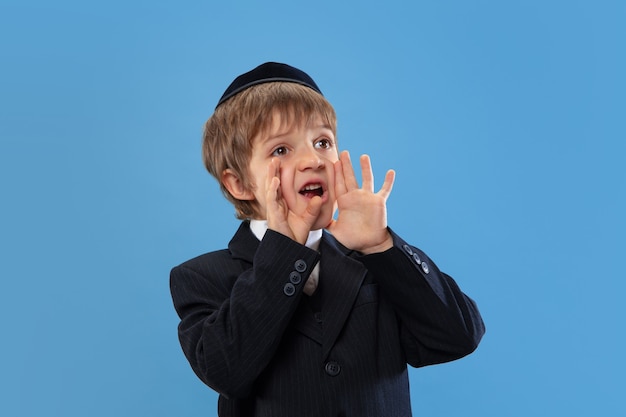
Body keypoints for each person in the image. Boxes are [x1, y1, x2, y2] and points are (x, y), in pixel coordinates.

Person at [170, 62, 485, 417]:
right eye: (280, 150)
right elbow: (226, 370)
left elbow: (457, 338)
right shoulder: (200, 277)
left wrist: (380, 245)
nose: (312, 160)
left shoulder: (373, 261)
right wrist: (282, 253)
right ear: (239, 184)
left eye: (322, 142)